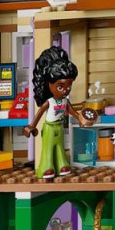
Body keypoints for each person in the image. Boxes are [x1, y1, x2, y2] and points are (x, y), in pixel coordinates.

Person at [25, 46, 95, 179]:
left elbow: (73, 112)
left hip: (59, 126)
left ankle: (62, 164)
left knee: (59, 146)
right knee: (48, 148)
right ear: (49, 84)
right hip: (50, 128)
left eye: (69, 86)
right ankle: (46, 167)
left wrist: (81, 118)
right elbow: (39, 113)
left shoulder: (64, 101)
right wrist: (31, 126)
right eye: (60, 86)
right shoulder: (49, 102)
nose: (66, 90)